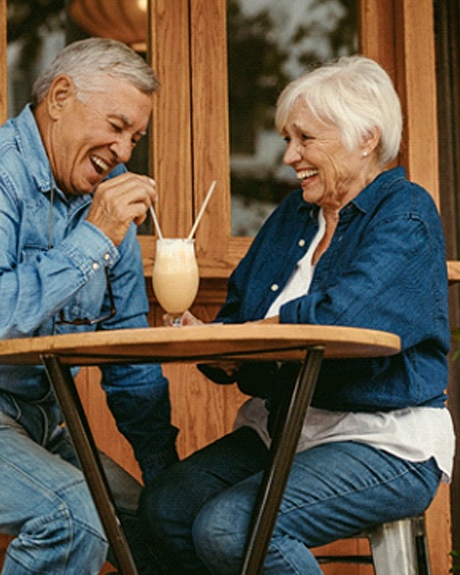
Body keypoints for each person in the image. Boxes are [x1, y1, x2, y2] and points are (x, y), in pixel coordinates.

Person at [139, 55, 455, 575]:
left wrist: (243, 338)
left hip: (381, 439)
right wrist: (217, 347)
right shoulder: (293, 216)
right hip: (283, 430)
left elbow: (340, 318)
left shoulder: (405, 213)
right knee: (166, 509)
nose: (289, 156)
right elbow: (241, 315)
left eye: (305, 139)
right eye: (288, 139)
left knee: (229, 528)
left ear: (366, 137)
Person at [0, 38, 178, 574]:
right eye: (116, 127)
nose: (125, 151)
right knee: (74, 518)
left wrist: (165, 478)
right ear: (61, 96)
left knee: (171, 535)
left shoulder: (105, 200)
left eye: (136, 137)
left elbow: (129, 357)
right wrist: (93, 238)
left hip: (36, 420)